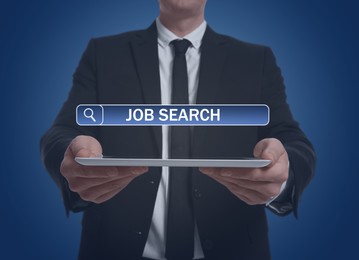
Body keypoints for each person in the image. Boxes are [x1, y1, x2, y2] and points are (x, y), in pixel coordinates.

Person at [40, 0, 316, 259]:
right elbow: (62, 131)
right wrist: (72, 156)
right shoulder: (104, 53)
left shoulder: (256, 60)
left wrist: (283, 174)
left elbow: (291, 139)